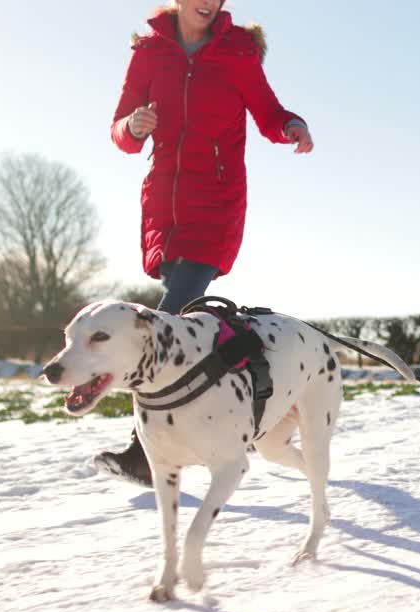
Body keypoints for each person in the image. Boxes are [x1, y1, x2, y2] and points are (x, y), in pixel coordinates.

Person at [98, 0, 314, 484]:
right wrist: (132, 127)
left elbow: (268, 111)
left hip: (216, 202)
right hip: (164, 208)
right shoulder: (150, 51)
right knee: (189, 320)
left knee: (167, 321)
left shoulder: (238, 52)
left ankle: (145, 452)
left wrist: (291, 127)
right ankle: (250, 402)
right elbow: (119, 129)